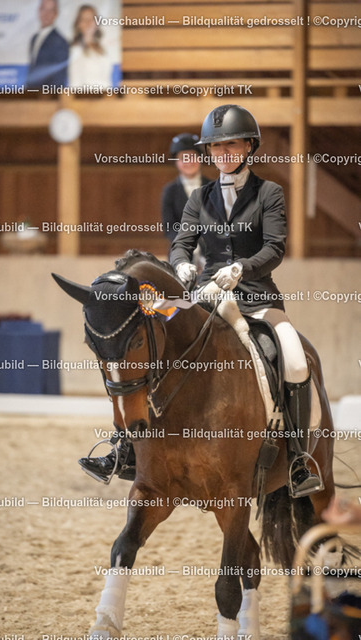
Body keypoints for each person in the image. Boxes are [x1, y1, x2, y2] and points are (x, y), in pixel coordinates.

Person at [80, 104, 322, 498]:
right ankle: (124, 449)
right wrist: (181, 266)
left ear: (249, 146)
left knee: (295, 361)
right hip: (207, 295)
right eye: (216, 147)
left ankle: (297, 459)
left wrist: (242, 268)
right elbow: (182, 243)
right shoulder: (199, 197)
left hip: (257, 297)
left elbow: (275, 248)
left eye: (232, 145)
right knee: (152, 343)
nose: (223, 153)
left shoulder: (269, 194)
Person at [161, 133, 210, 246]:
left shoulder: (213, 187)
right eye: (183, 158)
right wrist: (185, 245)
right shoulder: (170, 191)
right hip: (180, 249)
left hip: (212, 250)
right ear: (176, 161)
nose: (188, 161)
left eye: (192, 156)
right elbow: (169, 227)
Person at [26, 0, 68, 90]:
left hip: (47, 95)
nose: (46, 14)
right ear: (39, 10)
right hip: (32, 93)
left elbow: (59, 78)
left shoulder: (61, 42)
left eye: (50, 10)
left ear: (56, 14)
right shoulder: (34, 38)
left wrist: (47, 96)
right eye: (43, 9)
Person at [68, 4, 113, 88]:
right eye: (84, 19)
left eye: (92, 19)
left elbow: (107, 80)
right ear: (79, 24)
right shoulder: (74, 50)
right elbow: (74, 83)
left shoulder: (104, 49)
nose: (88, 23)